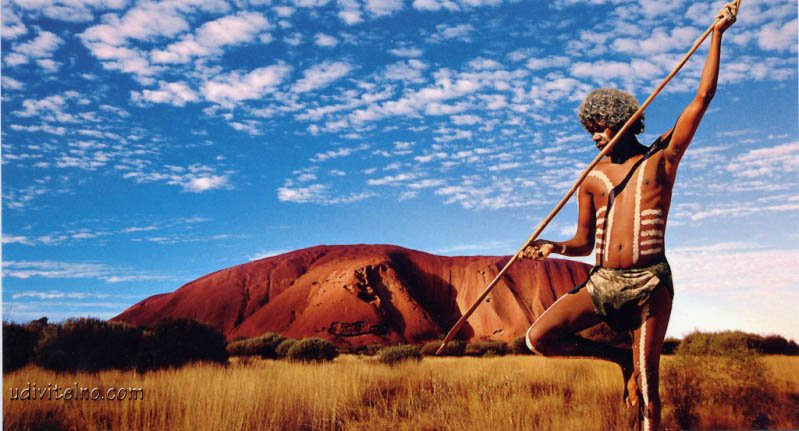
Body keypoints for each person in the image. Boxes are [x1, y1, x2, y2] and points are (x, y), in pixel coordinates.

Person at [519, 3, 737, 430]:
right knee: (538, 339)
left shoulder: (662, 158)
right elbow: (582, 243)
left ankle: (639, 384)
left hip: (649, 282)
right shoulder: (591, 178)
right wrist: (553, 247)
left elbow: (702, 98)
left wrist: (717, 34)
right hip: (602, 281)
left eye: (601, 127)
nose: (596, 136)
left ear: (624, 122)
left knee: (649, 393)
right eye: (591, 131)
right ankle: (618, 358)